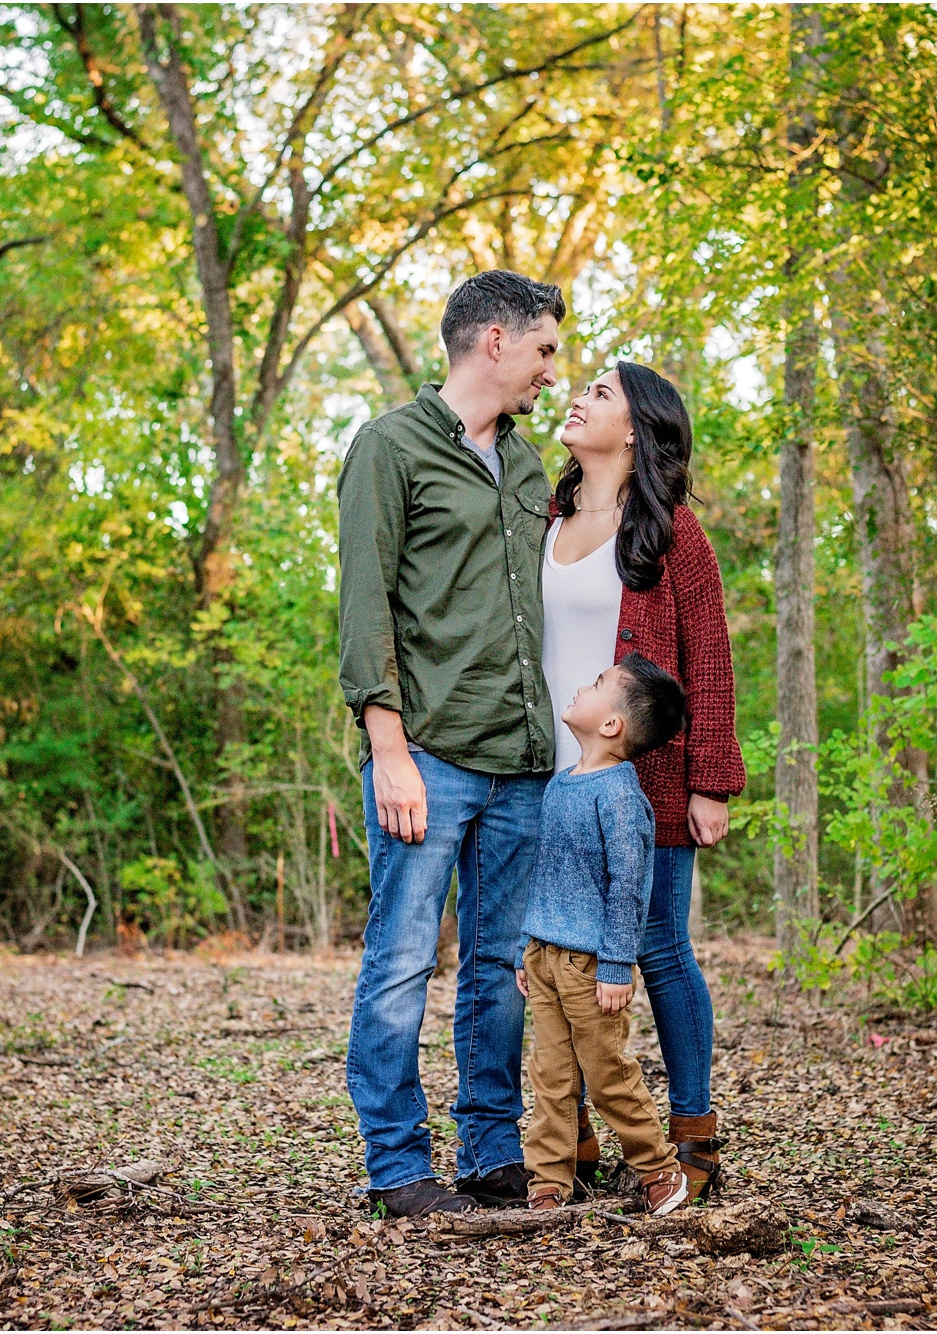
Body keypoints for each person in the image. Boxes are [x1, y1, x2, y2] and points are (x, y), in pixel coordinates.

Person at [336, 270, 566, 1218]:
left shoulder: (528, 468)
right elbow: (363, 609)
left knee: (499, 969)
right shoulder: (388, 447)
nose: (556, 369)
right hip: (427, 754)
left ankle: (491, 1152)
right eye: (547, 348)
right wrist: (389, 752)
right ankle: (397, 1167)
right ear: (497, 343)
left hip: (521, 762)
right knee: (399, 965)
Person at [541, 361, 746, 1200]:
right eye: (580, 384)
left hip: (645, 780)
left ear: (633, 430)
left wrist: (711, 781)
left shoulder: (672, 532)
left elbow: (712, 658)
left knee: (657, 946)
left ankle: (693, 1137)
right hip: (547, 780)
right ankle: (574, 1140)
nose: (578, 396)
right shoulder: (543, 514)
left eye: (601, 393)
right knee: (556, 952)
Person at [514, 655, 693, 1216]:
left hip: (592, 967)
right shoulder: (563, 785)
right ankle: (549, 1180)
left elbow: (630, 887)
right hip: (545, 957)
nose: (582, 685)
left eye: (597, 685)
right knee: (550, 1075)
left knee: (608, 1074)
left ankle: (659, 1170)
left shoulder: (619, 795)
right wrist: (528, 945)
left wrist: (617, 964)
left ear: (612, 724)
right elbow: (546, 872)